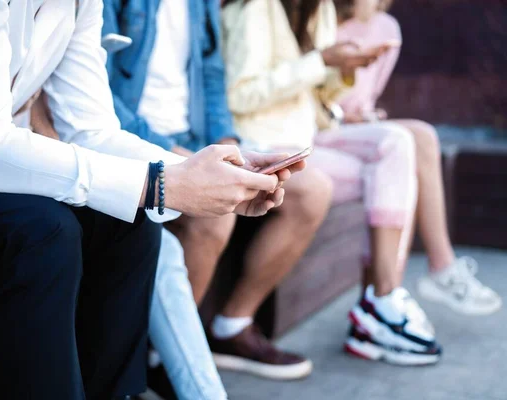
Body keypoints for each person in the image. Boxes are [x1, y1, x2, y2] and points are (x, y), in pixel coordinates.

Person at [0, 1, 301, 399]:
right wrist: (160, 184)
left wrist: (203, 172)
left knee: (126, 218)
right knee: (43, 229)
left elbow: (91, 129)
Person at [102, 0, 332, 387]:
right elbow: (98, 99)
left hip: (193, 138)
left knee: (311, 190)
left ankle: (231, 326)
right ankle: (154, 359)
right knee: (218, 210)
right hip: (132, 139)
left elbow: (211, 73)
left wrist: (227, 147)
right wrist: (183, 159)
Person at [221, 0, 444, 365]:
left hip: (303, 135)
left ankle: (383, 299)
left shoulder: (318, 8)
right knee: (387, 170)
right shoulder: (255, 7)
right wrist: (321, 61)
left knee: (398, 145)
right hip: (260, 142)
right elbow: (239, 96)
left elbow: (318, 95)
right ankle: (381, 306)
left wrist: (345, 70)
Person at [335, 0, 502, 316]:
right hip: (320, 127)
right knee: (398, 150)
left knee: (421, 137)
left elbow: (365, 96)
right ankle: (383, 302)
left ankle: (437, 268)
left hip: (354, 128)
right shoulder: (320, 20)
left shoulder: (387, 28)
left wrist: (367, 114)